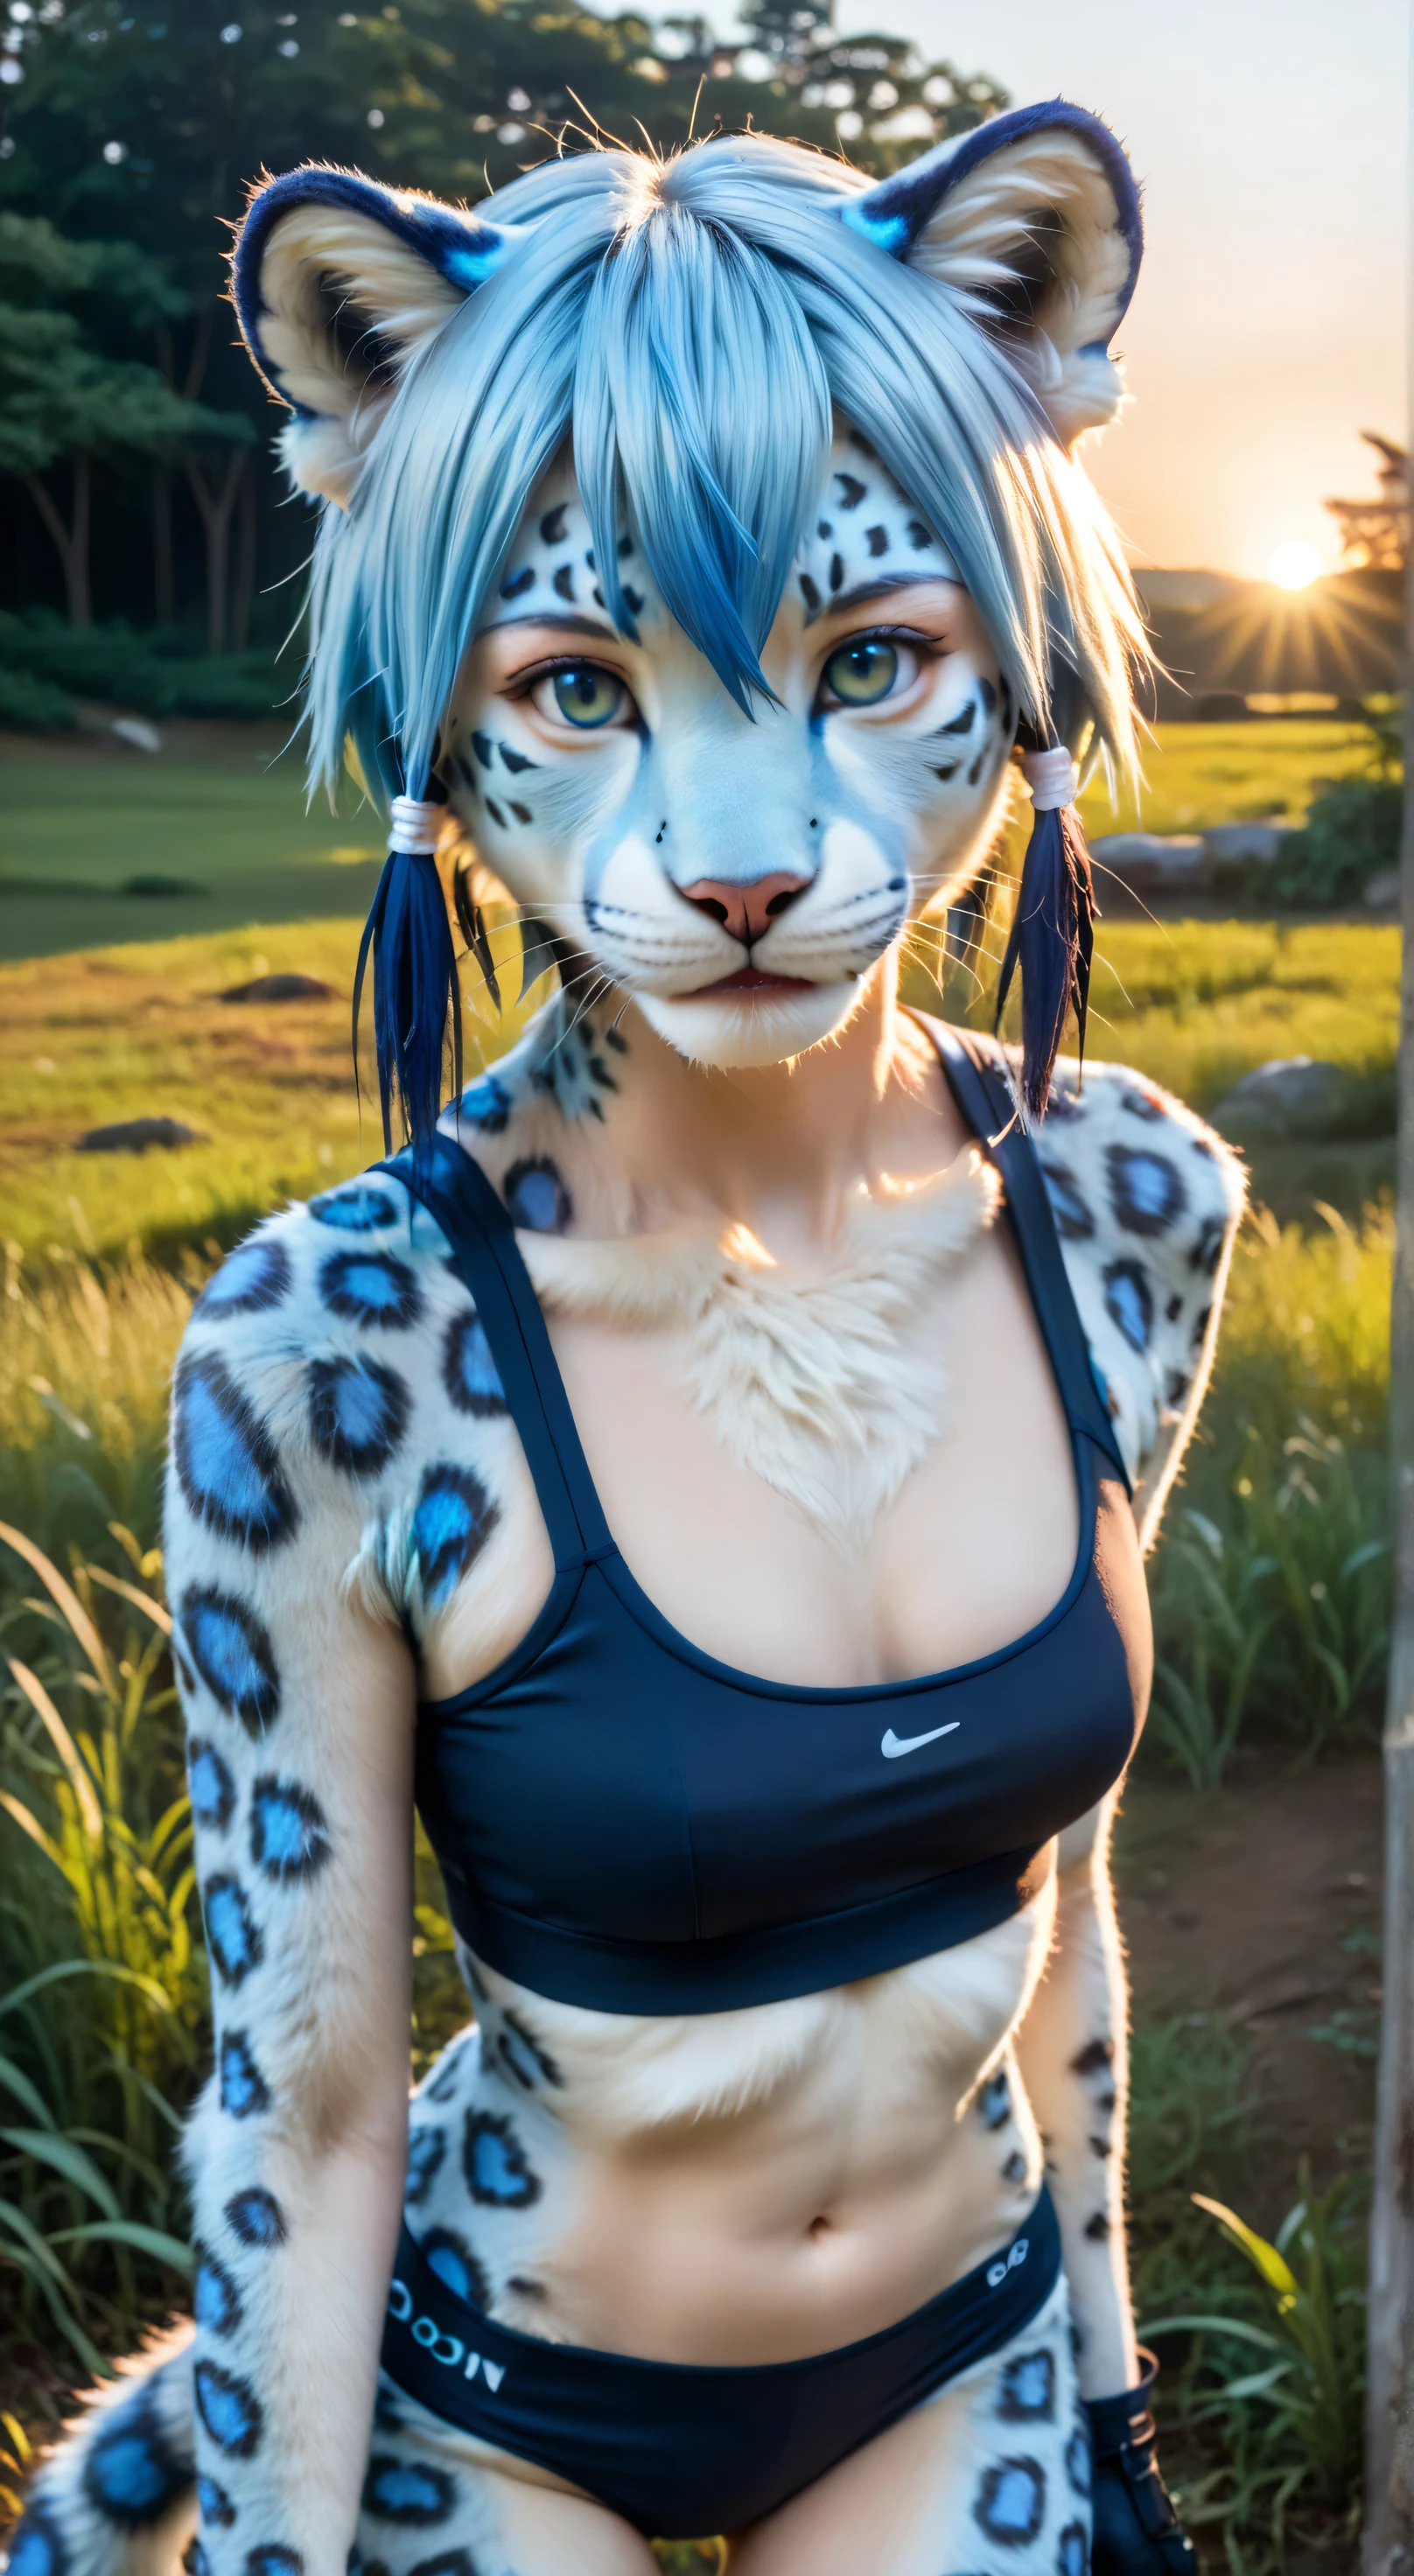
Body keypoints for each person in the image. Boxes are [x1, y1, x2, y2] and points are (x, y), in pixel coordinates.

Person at [8, 103, 1244, 2576]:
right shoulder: (325, 1349)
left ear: (1016, 653)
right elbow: (308, 2097)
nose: (745, 847)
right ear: (441, 733)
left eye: (872, 656)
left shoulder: (1133, 1209)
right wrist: (267, 2543)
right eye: (576, 681)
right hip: (507, 2397)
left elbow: (1054, 1899)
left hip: (964, 2342)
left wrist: (1109, 2412)